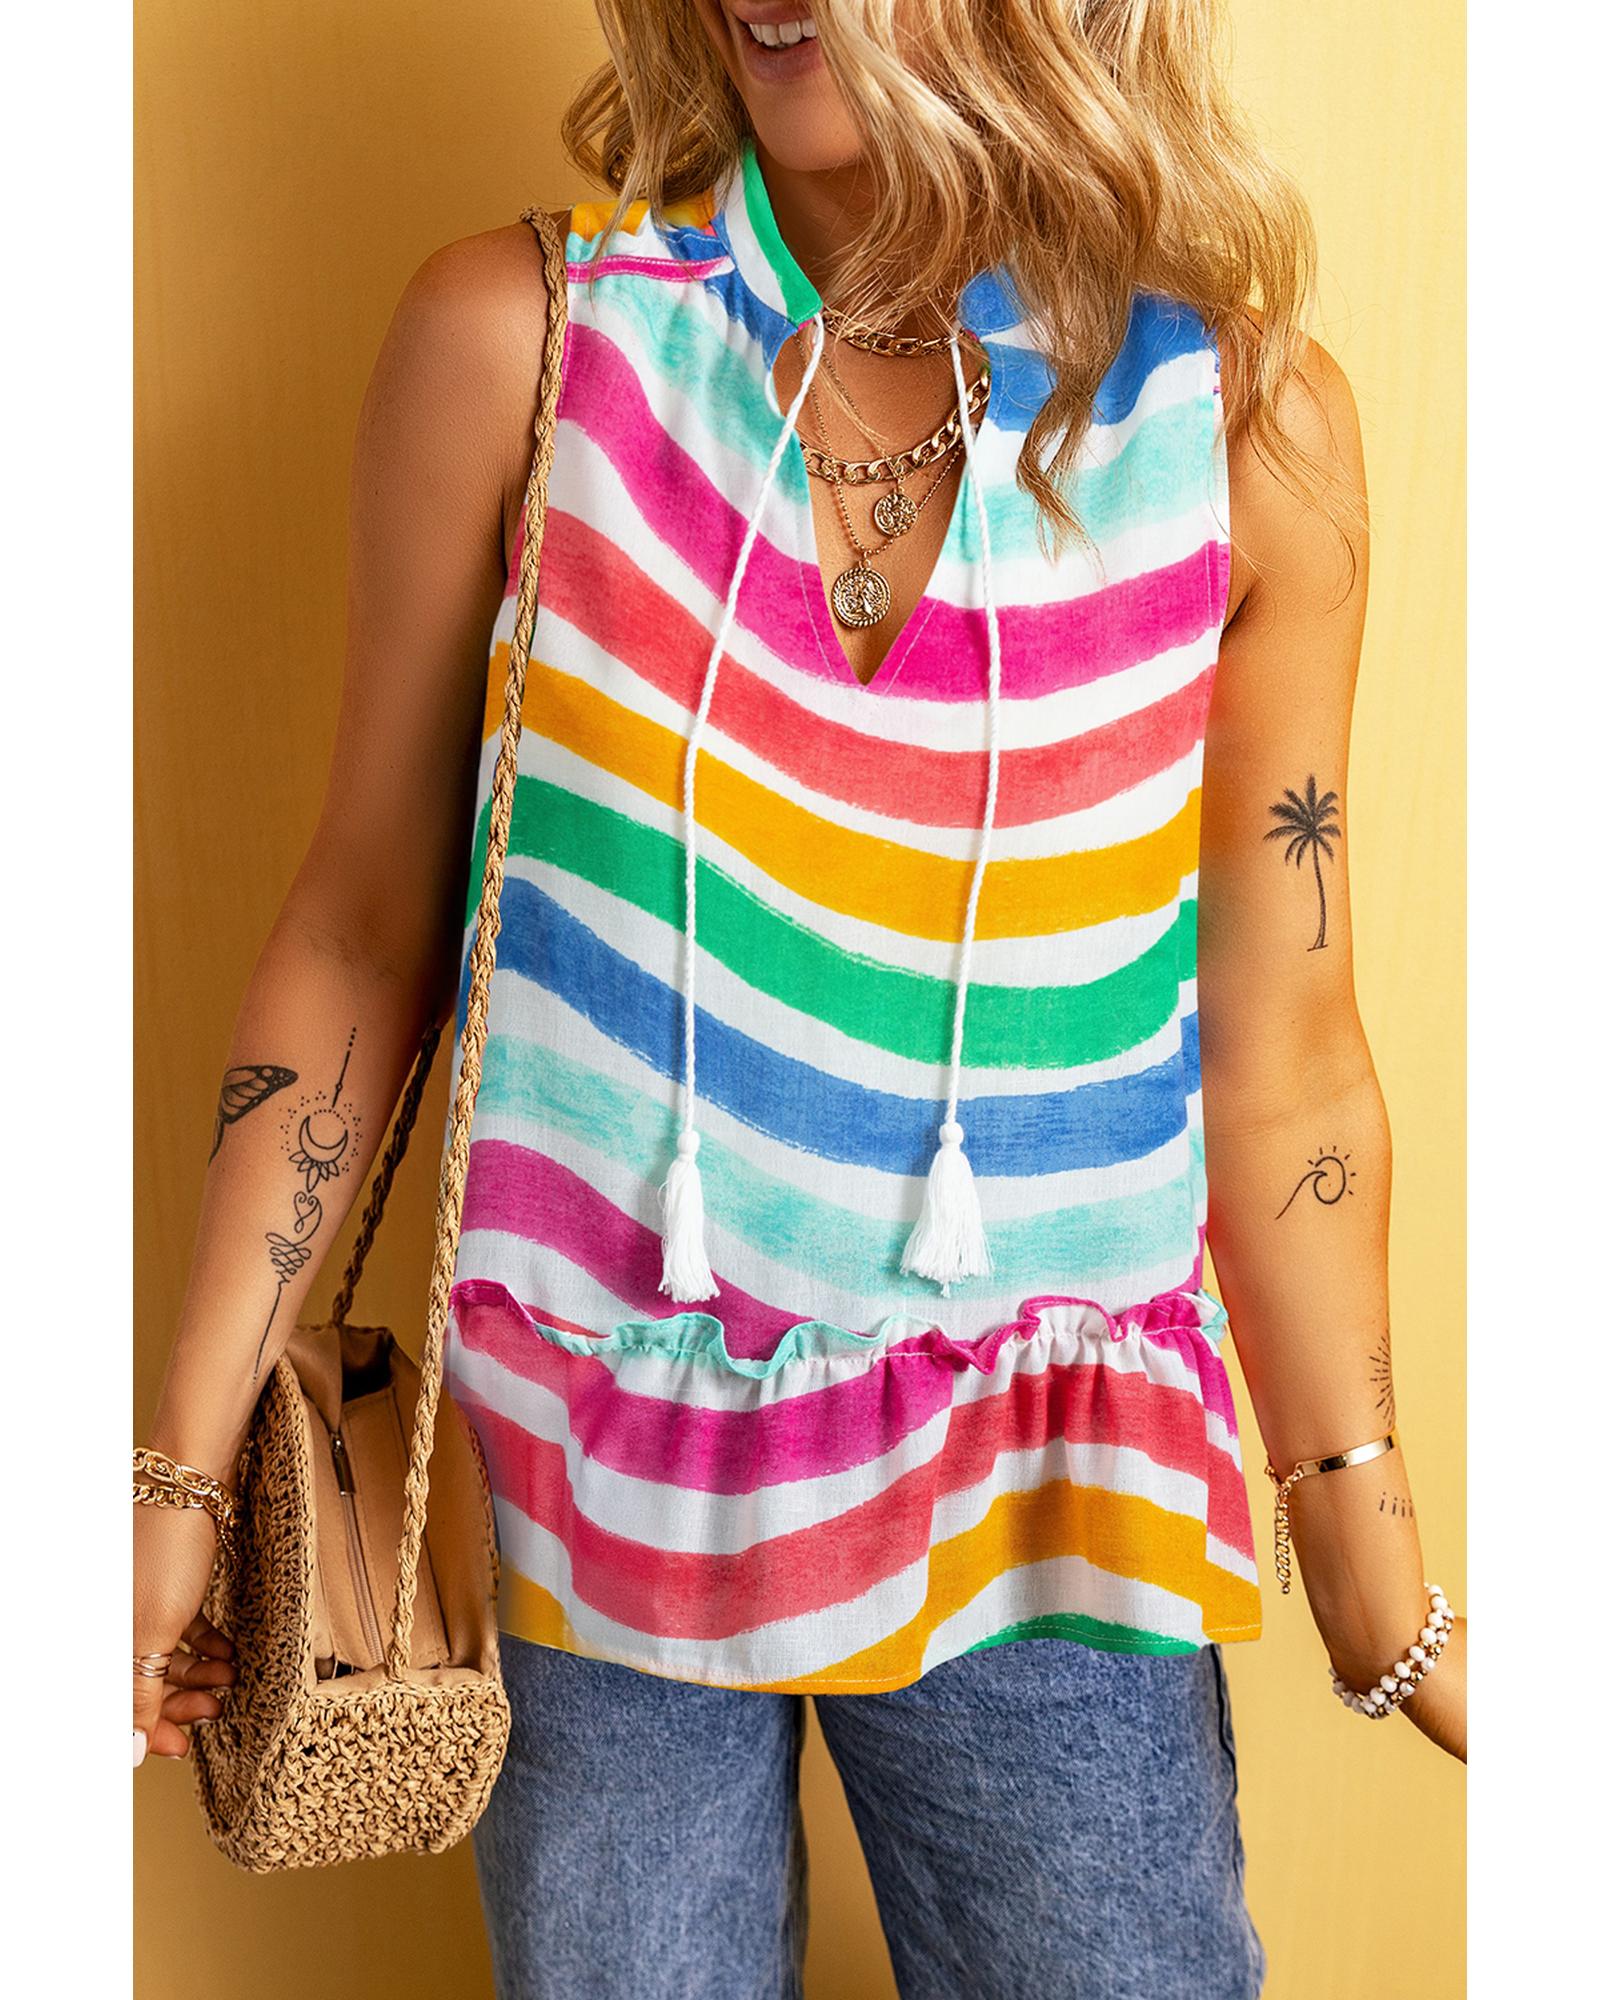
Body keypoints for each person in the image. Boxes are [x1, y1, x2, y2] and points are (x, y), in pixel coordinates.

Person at [134, 2, 1466, 1994]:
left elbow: (1285, 1050)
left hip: (1052, 1508)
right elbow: (360, 929)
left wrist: (1371, 1567)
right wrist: (176, 1472)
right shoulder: (527, 349)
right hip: (595, 1493)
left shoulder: (1241, 434)